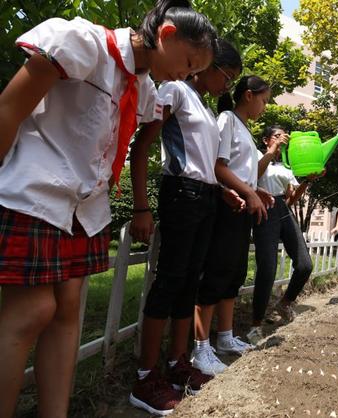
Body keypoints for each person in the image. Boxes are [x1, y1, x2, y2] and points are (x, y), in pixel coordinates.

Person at [0, 0, 216, 416]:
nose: (187, 76)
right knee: (31, 310)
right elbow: (10, 106)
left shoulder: (145, 87)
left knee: (67, 313)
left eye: (194, 72)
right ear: (166, 34)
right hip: (36, 190)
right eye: (189, 62)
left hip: (84, 207)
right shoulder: (83, 43)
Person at [128, 38, 242, 415]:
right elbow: (142, 146)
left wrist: (221, 190)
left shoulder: (208, 110)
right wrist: (141, 207)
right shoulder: (175, 89)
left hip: (206, 198)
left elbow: (205, 162)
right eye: (226, 75)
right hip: (181, 194)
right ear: (205, 66)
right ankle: (145, 377)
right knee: (170, 279)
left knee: (190, 282)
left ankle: (178, 366)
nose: (227, 85)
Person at [191, 76, 273, 373]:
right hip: (227, 209)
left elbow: (239, 172)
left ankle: (225, 338)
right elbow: (217, 166)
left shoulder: (245, 130)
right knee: (216, 272)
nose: (265, 107)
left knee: (233, 273)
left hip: (242, 209)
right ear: (248, 96)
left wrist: (255, 189)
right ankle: (200, 348)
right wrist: (248, 190)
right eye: (264, 100)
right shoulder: (226, 119)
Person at [246, 125, 316, 344]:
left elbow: (291, 198)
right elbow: (253, 176)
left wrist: (307, 180)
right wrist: (272, 150)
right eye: (277, 136)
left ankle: (285, 303)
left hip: (283, 210)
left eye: (283, 136)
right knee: (267, 269)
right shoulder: (258, 155)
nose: (282, 139)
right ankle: (255, 326)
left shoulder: (286, 165)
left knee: (305, 264)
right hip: (263, 208)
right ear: (266, 140)